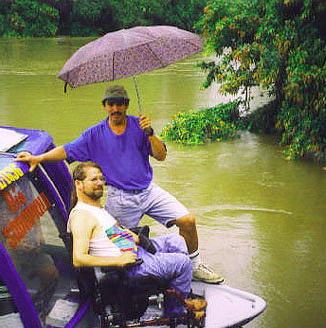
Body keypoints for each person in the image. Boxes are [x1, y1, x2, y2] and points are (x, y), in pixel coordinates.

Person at [16, 85, 223, 284]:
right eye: (111, 104)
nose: (115, 109)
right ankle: (123, 285)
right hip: (120, 197)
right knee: (120, 244)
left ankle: (194, 266)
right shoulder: (94, 134)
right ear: (104, 106)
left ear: (127, 105)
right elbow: (66, 150)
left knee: (188, 221)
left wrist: (150, 132)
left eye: (120, 104)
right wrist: (39, 158)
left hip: (149, 190)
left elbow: (161, 156)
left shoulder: (140, 126)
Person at [67, 161, 206, 317]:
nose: (100, 183)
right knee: (184, 263)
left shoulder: (94, 207)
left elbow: (106, 234)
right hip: (131, 267)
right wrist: (117, 261)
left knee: (176, 240)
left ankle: (178, 295)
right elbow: (78, 259)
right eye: (93, 180)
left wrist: (131, 236)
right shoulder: (81, 216)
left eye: (101, 178)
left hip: (134, 250)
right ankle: (176, 312)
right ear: (78, 184)